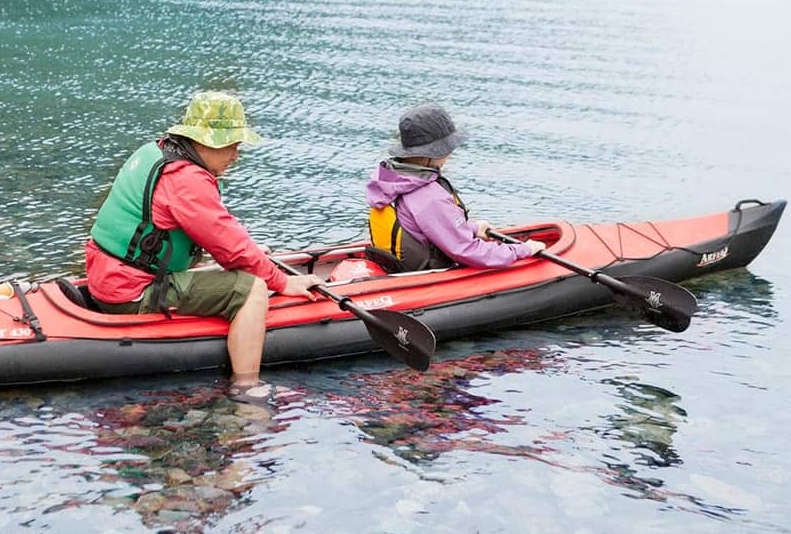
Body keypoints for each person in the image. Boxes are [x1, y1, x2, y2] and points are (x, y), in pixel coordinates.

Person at [85, 91, 322, 397]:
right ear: (209, 142)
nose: (236, 155)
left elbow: (218, 231)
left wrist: (252, 255)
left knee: (249, 264)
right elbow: (230, 247)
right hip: (131, 293)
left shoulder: (155, 153)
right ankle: (247, 389)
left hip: (107, 277)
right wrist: (281, 281)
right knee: (252, 289)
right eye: (233, 146)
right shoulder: (187, 180)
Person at [365, 103, 545, 272]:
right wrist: (523, 250)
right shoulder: (429, 197)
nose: (450, 153)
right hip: (426, 275)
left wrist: (473, 229)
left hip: (395, 266)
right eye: (447, 148)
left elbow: (427, 227)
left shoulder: (392, 181)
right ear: (430, 154)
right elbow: (466, 250)